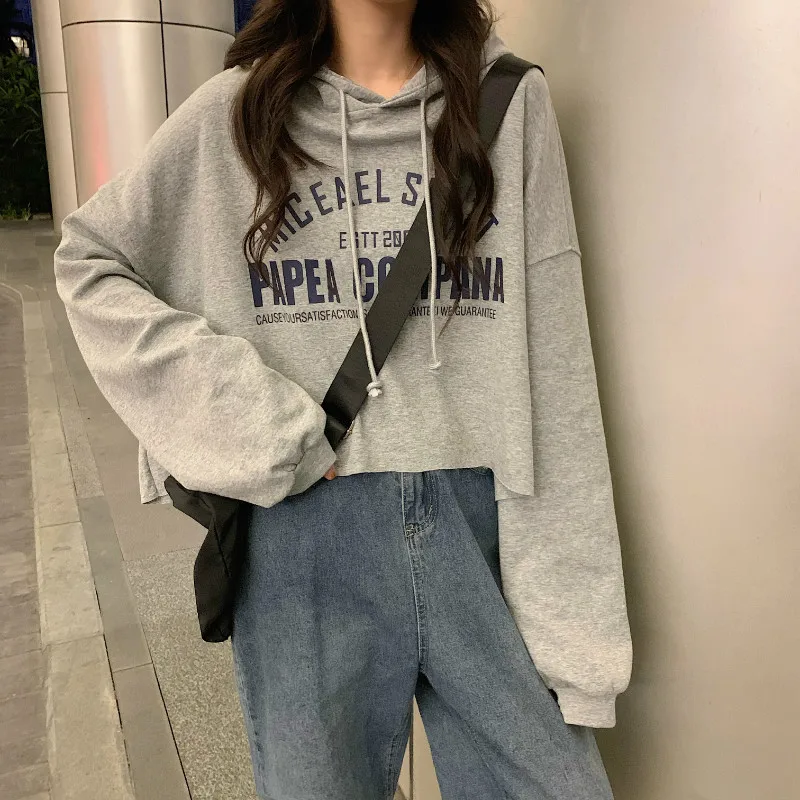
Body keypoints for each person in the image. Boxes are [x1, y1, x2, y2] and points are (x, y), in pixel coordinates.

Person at [54, 0, 633, 797]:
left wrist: (581, 638)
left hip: (484, 529)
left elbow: (555, 356)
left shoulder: (505, 102)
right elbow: (91, 263)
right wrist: (263, 428)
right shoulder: (238, 113)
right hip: (305, 538)